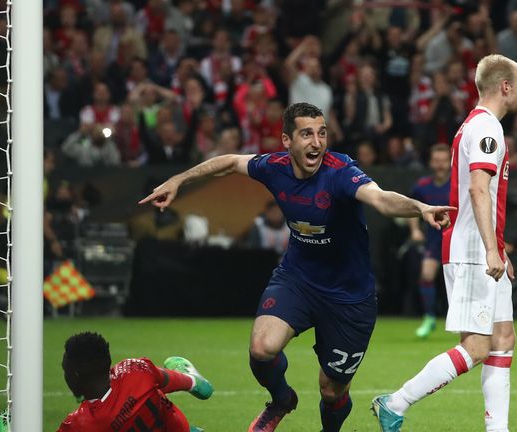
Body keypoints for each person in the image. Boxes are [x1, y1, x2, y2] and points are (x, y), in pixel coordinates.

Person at [140, 102, 454, 432]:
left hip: (350, 296)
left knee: (331, 391)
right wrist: (178, 180)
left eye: (322, 133)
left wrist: (419, 208)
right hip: (299, 279)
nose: (317, 142)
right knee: (262, 348)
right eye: (306, 134)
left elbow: (381, 199)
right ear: (286, 140)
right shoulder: (273, 166)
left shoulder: (340, 170)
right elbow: (230, 162)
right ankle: (281, 400)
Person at [372, 54, 517, 432]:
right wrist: (490, 249)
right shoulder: (487, 128)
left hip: (484, 246)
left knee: (503, 338)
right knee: (476, 346)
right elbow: (478, 188)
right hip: (474, 251)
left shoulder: (473, 126)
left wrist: (499, 247)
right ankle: (395, 403)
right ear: (505, 86)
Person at [57, 332, 212, 432]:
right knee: (151, 381)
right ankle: (192, 381)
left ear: (76, 375)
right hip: (180, 428)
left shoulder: (77, 424)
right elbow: (165, 380)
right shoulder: (133, 368)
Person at [408, 143, 451, 338]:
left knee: (460, 280)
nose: (440, 165)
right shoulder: (422, 186)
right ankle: (429, 317)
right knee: (426, 274)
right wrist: (415, 230)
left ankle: (461, 318)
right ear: (431, 162)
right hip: (434, 238)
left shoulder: (459, 184)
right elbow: (411, 209)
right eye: (436, 160)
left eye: (443, 161)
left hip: (455, 237)